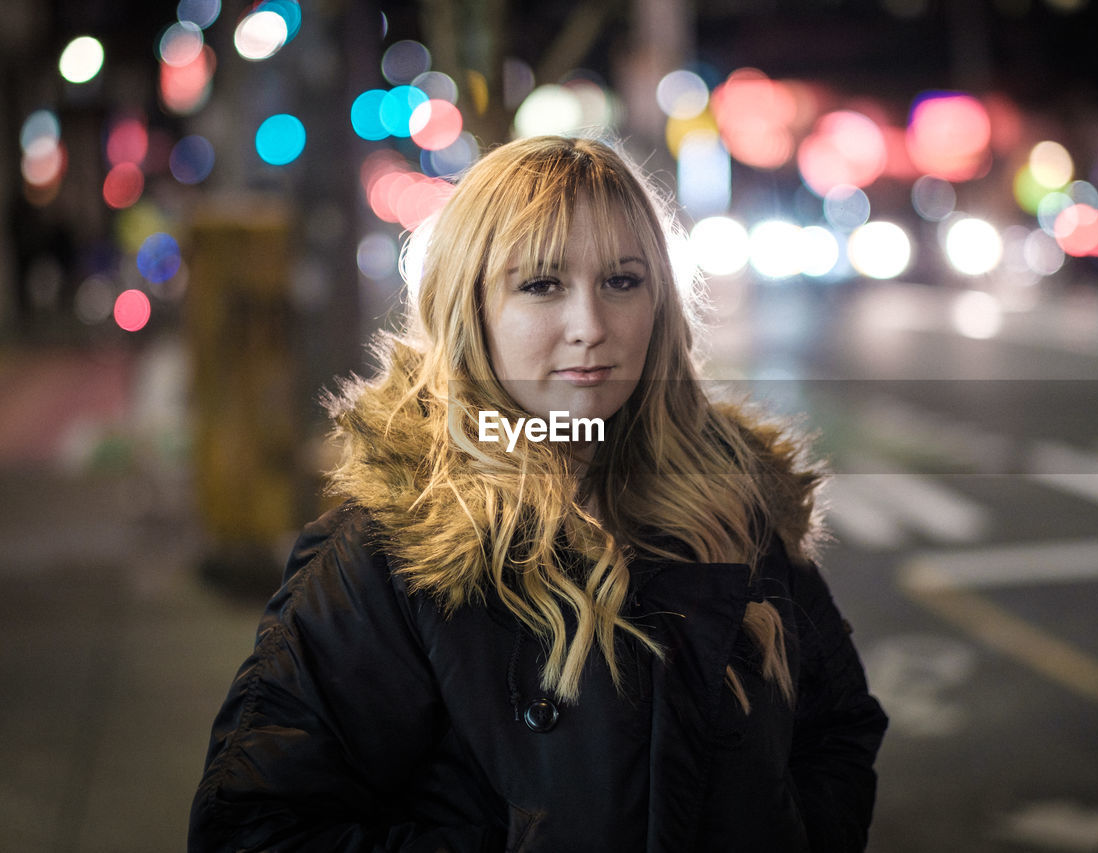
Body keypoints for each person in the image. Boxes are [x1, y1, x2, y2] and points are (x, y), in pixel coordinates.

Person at [189, 135, 887, 852]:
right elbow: (253, 829)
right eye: (542, 285)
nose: (591, 327)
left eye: (622, 281)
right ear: (471, 307)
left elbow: (837, 731)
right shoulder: (394, 548)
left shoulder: (731, 502)